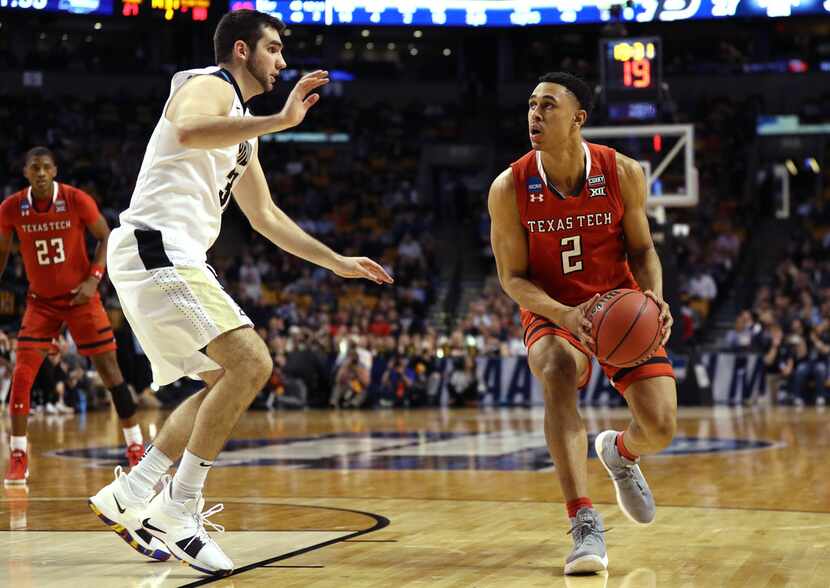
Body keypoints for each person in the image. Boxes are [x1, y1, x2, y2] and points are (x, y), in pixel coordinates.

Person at [88, 9, 392, 576]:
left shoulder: (242, 134)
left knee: (221, 383)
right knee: (252, 362)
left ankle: (133, 493)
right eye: (274, 49)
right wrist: (281, 119)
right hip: (157, 246)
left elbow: (267, 217)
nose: (282, 60)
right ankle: (179, 510)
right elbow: (185, 130)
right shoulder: (206, 83)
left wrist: (336, 262)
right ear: (243, 51)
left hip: (171, 254)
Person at [488, 72, 676, 575]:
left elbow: (643, 250)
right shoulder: (509, 187)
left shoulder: (624, 172)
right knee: (555, 367)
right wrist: (566, 314)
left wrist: (654, 299)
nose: (535, 114)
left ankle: (621, 452)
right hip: (556, 310)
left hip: (620, 306)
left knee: (660, 427)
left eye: (548, 105)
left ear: (578, 118)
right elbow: (512, 278)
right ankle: (584, 521)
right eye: (531, 104)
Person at [0, 147, 145, 486]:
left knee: (111, 372)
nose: (40, 173)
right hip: (41, 303)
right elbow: (2, 253)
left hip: (81, 299)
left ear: (54, 171)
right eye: (34, 168)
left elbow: (107, 236)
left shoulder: (76, 199)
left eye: (45, 167)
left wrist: (93, 279)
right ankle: (19, 454)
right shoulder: (10, 208)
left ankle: (136, 445)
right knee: (22, 376)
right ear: (25, 172)